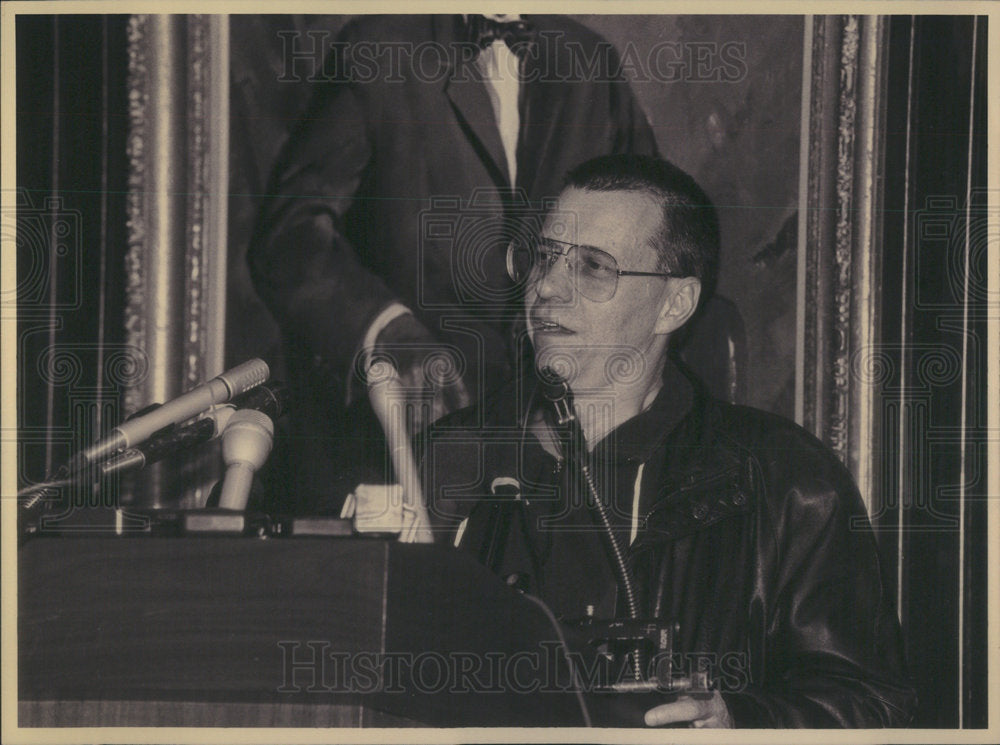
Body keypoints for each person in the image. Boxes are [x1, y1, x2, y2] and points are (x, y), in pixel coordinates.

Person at [420, 154, 917, 727]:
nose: (547, 286)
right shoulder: (450, 456)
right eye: (544, 256)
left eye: (593, 266)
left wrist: (739, 721)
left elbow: (875, 706)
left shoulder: (786, 482)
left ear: (674, 304)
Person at [248, 15, 657, 513]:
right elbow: (288, 239)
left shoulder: (591, 61)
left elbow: (659, 237)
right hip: (401, 442)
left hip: (562, 448)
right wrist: (388, 331)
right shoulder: (378, 48)